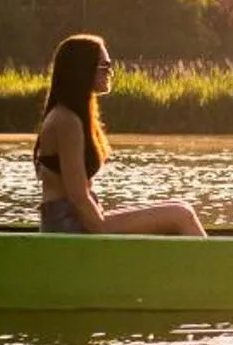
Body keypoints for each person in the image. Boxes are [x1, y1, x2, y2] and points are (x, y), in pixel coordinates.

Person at [34, 33, 205, 236]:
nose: (111, 72)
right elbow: (78, 196)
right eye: (105, 66)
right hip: (69, 225)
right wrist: (102, 228)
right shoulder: (66, 120)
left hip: (81, 218)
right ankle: (214, 267)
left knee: (179, 207)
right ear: (83, 70)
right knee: (181, 214)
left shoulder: (73, 116)